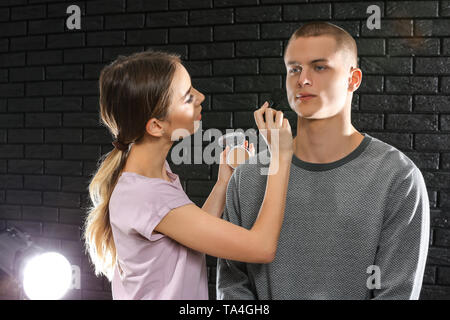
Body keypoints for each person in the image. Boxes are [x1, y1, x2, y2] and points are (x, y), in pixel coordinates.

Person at [216, 21, 430, 300]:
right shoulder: (247, 176)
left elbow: (396, 292)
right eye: (294, 69)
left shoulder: (397, 176)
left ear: (353, 79)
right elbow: (232, 286)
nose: (302, 79)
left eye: (319, 67)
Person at [83, 50, 294, 300]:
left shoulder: (152, 174)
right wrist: (281, 157)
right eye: (187, 97)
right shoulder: (148, 195)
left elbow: (189, 234)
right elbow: (262, 247)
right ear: (156, 126)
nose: (201, 97)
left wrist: (222, 183)